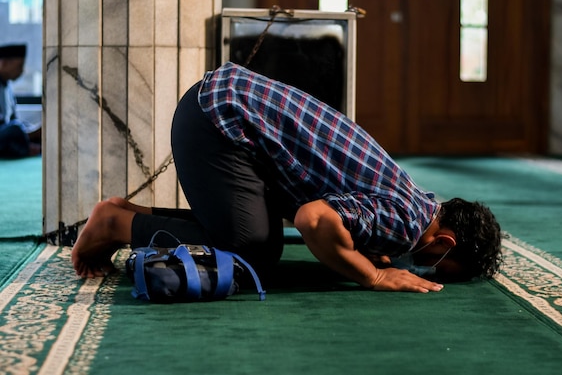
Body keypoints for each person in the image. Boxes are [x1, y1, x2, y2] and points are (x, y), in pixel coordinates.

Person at [72, 62, 502, 292]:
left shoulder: (416, 200)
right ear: (444, 243)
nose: (425, 272)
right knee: (251, 251)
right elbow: (314, 219)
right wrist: (372, 276)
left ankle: (126, 214)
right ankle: (115, 225)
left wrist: (370, 256)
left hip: (218, 107)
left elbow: (350, 215)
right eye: (437, 269)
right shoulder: (408, 225)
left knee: (256, 237)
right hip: (220, 123)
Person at [0, 43, 41, 158]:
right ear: (5, 63)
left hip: (7, 136)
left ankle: (28, 146)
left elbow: (10, 120)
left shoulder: (7, 88)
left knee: (21, 126)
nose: (22, 71)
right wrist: (29, 134)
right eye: (20, 66)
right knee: (16, 129)